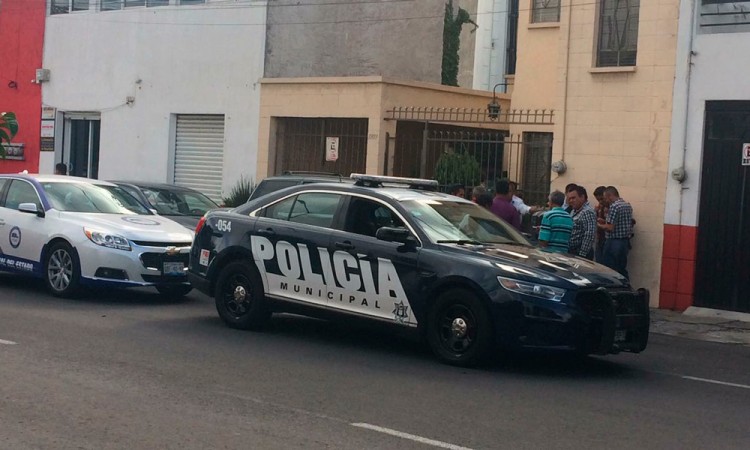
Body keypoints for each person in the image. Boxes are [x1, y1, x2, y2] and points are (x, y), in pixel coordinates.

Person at [597, 186, 634, 279]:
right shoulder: (627, 205)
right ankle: (625, 285)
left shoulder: (614, 206)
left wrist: (599, 225)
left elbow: (610, 227)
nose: (606, 201)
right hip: (624, 242)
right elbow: (621, 223)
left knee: (609, 269)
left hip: (613, 242)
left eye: (605, 198)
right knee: (621, 268)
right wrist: (605, 222)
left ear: (610, 196)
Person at [566, 185, 596, 260]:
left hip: (580, 254)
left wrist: (582, 255)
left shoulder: (587, 212)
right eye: (569, 199)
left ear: (582, 197)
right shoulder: (574, 211)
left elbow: (589, 234)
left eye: (573, 198)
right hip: (571, 252)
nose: (571, 201)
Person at [593, 185, 608, 261]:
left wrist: (603, 222)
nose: (600, 202)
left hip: (608, 239)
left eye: (602, 199)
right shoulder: (599, 207)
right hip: (600, 238)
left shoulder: (612, 208)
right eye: (598, 200)